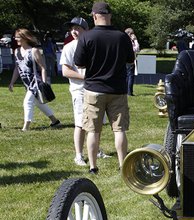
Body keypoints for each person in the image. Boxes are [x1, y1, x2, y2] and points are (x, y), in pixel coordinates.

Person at [74, 2, 135, 174]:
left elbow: (79, 62)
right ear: (110, 16)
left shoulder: (87, 37)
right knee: (119, 129)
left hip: (94, 89)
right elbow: (130, 60)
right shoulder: (122, 37)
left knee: (93, 130)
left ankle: (93, 167)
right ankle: (123, 165)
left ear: (94, 16)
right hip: (117, 89)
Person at [8, 28, 60, 131]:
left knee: (27, 102)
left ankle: (26, 127)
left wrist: (44, 84)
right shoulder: (16, 51)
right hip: (27, 84)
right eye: (15, 37)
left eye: (17, 37)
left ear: (24, 38)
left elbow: (43, 68)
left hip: (36, 82)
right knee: (38, 102)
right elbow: (17, 68)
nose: (15, 39)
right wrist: (12, 82)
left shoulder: (34, 51)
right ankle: (55, 121)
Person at [60, 17, 90, 166]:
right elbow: (65, 71)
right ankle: (79, 155)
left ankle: (96, 150)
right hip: (79, 90)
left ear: (86, 30)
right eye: (72, 28)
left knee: (95, 123)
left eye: (77, 28)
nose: (74, 31)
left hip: (94, 89)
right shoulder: (69, 47)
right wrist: (85, 77)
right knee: (80, 124)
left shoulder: (92, 45)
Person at [124, 28, 140, 96]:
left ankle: (126, 91)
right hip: (130, 60)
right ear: (130, 34)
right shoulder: (130, 41)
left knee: (127, 76)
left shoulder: (124, 40)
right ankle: (129, 92)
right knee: (130, 76)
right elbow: (136, 49)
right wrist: (135, 40)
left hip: (124, 60)